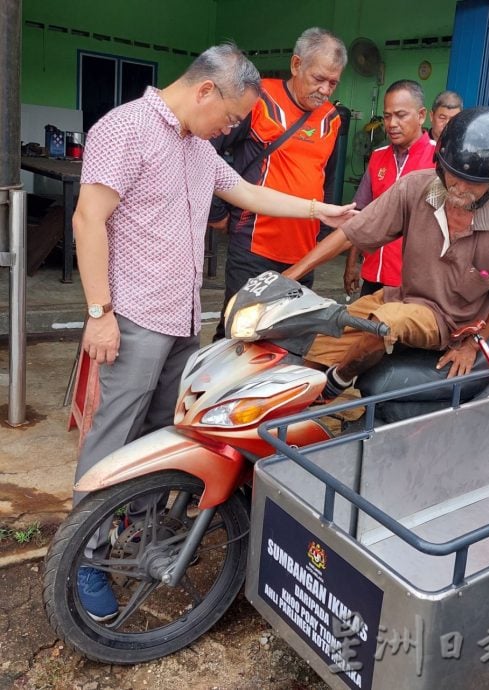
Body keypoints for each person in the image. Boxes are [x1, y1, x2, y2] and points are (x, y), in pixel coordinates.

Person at [72, 43, 356, 621]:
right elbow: (87, 218)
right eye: (230, 116)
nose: (231, 127)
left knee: (160, 432)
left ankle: (132, 525)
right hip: (130, 318)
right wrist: (99, 312)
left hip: (180, 319)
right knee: (113, 436)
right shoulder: (125, 128)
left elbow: (245, 192)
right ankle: (86, 558)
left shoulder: (196, 146)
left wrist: (318, 210)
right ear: (205, 90)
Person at [284, 107, 489, 401]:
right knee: (326, 325)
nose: (460, 187)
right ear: (441, 165)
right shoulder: (416, 188)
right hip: (401, 297)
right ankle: (292, 409)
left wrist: (472, 346)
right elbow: (352, 232)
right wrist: (290, 276)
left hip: (448, 324)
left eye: (473, 182)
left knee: (385, 323)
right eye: (453, 176)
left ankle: (338, 381)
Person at [209, 27, 347, 340]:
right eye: (318, 78)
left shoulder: (332, 119)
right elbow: (207, 151)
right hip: (253, 246)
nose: (325, 90)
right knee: (237, 333)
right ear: (296, 65)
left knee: (289, 339)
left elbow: (325, 181)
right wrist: (216, 213)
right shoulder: (259, 100)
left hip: (303, 252)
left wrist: (322, 239)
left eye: (333, 82)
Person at [343, 80, 437, 297]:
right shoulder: (377, 157)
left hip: (413, 282)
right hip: (373, 274)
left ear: (421, 115)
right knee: (366, 330)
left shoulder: (438, 160)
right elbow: (360, 215)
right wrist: (351, 264)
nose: (392, 123)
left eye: (401, 115)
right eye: (387, 116)